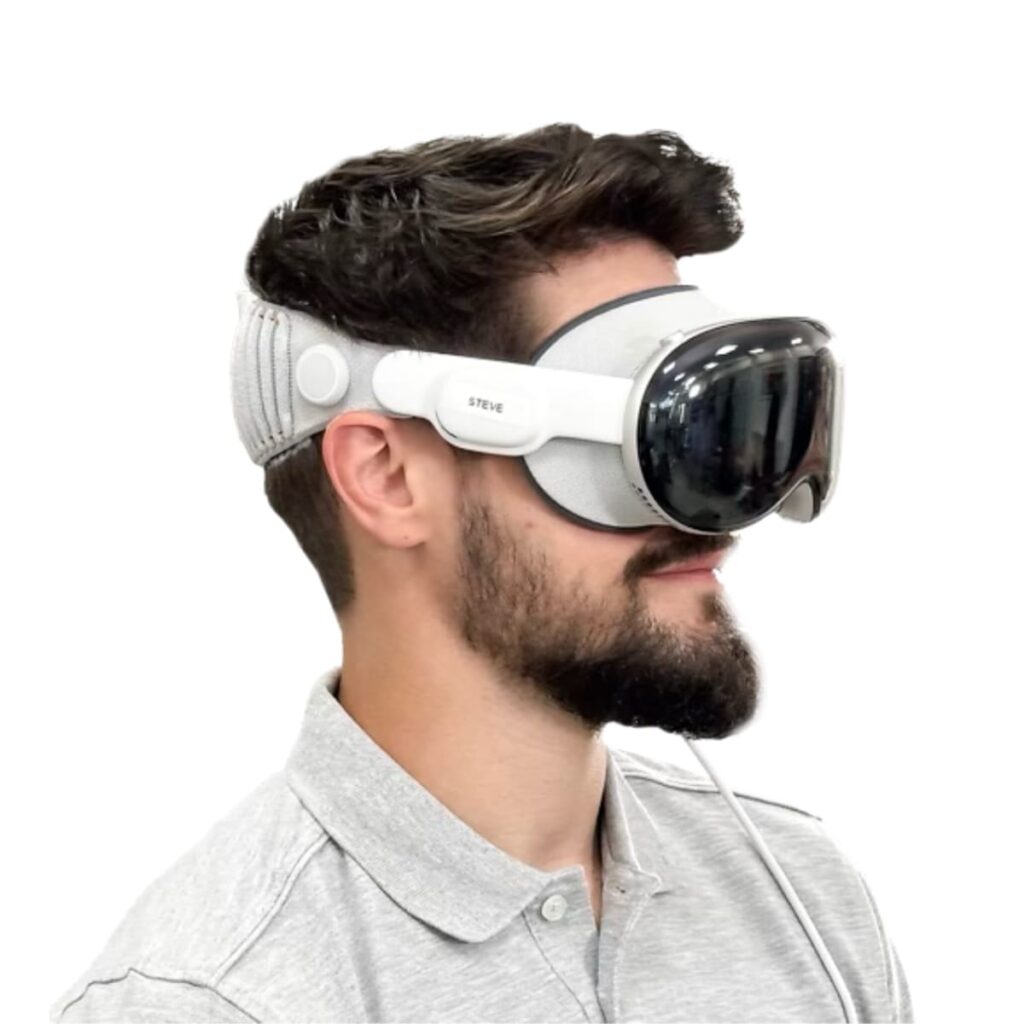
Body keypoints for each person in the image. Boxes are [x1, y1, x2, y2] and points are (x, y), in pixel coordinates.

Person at [50, 124, 913, 1023]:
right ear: (387, 477)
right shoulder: (213, 1000)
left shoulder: (801, 897)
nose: (718, 522)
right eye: (646, 446)